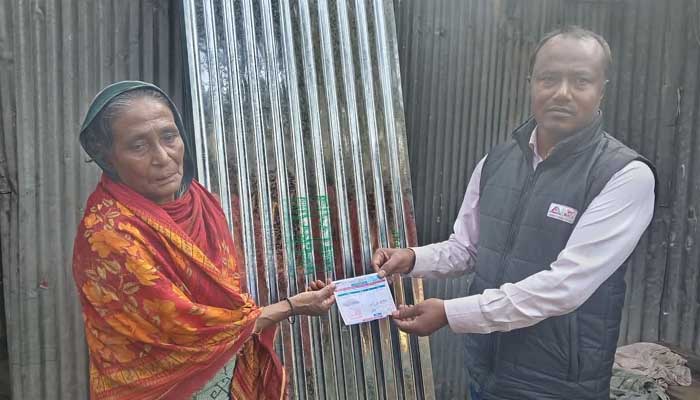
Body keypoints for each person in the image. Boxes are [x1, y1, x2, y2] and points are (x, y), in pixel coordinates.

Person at [372, 26, 657, 399]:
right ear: (531, 84)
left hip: (556, 384)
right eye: (549, 79)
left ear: (602, 89)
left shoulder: (623, 175)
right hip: (485, 369)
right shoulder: (497, 161)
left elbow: (565, 287)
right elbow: (468, 248)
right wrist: (412, 259)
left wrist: (451, 313)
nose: (562, 93)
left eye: (581, 81)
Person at [72, 80, 335, 400]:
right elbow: (185, 326)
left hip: (225, 379)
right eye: (138, 146)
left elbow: (228, 294)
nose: (163, 157)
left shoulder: (200, 202)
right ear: (109, 157)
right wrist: (291, 306)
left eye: (169, 137)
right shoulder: (107, 234)